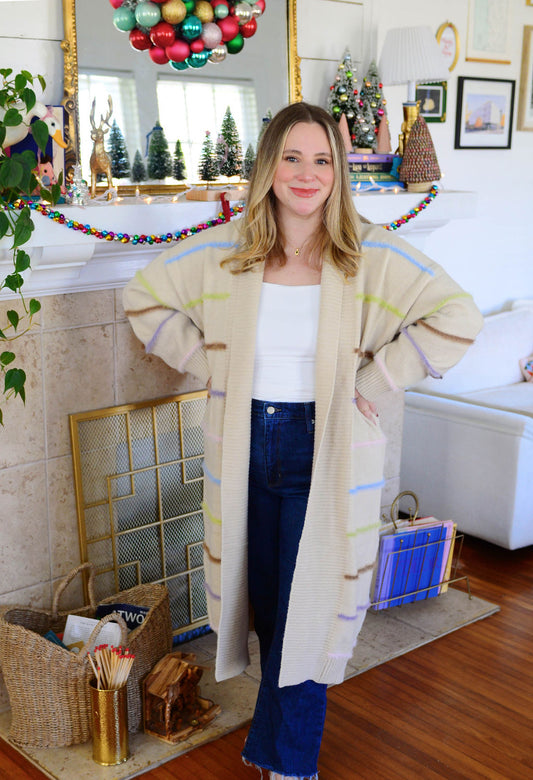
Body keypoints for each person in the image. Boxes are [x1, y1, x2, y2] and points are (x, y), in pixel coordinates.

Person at [123, 101, 483, 779]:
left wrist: (375, 379)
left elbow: (456, 317)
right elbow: (142, 296)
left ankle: (291, 765)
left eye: (322, 159)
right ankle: (273, 754)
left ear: (338, 172)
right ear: (269, 166)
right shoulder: (225, 251)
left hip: (326, 447)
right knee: (266, 608)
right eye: (291, 157)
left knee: (308, 615)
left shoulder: (368, 252)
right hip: (244, 444)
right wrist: (211, 365)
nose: (307, 173)